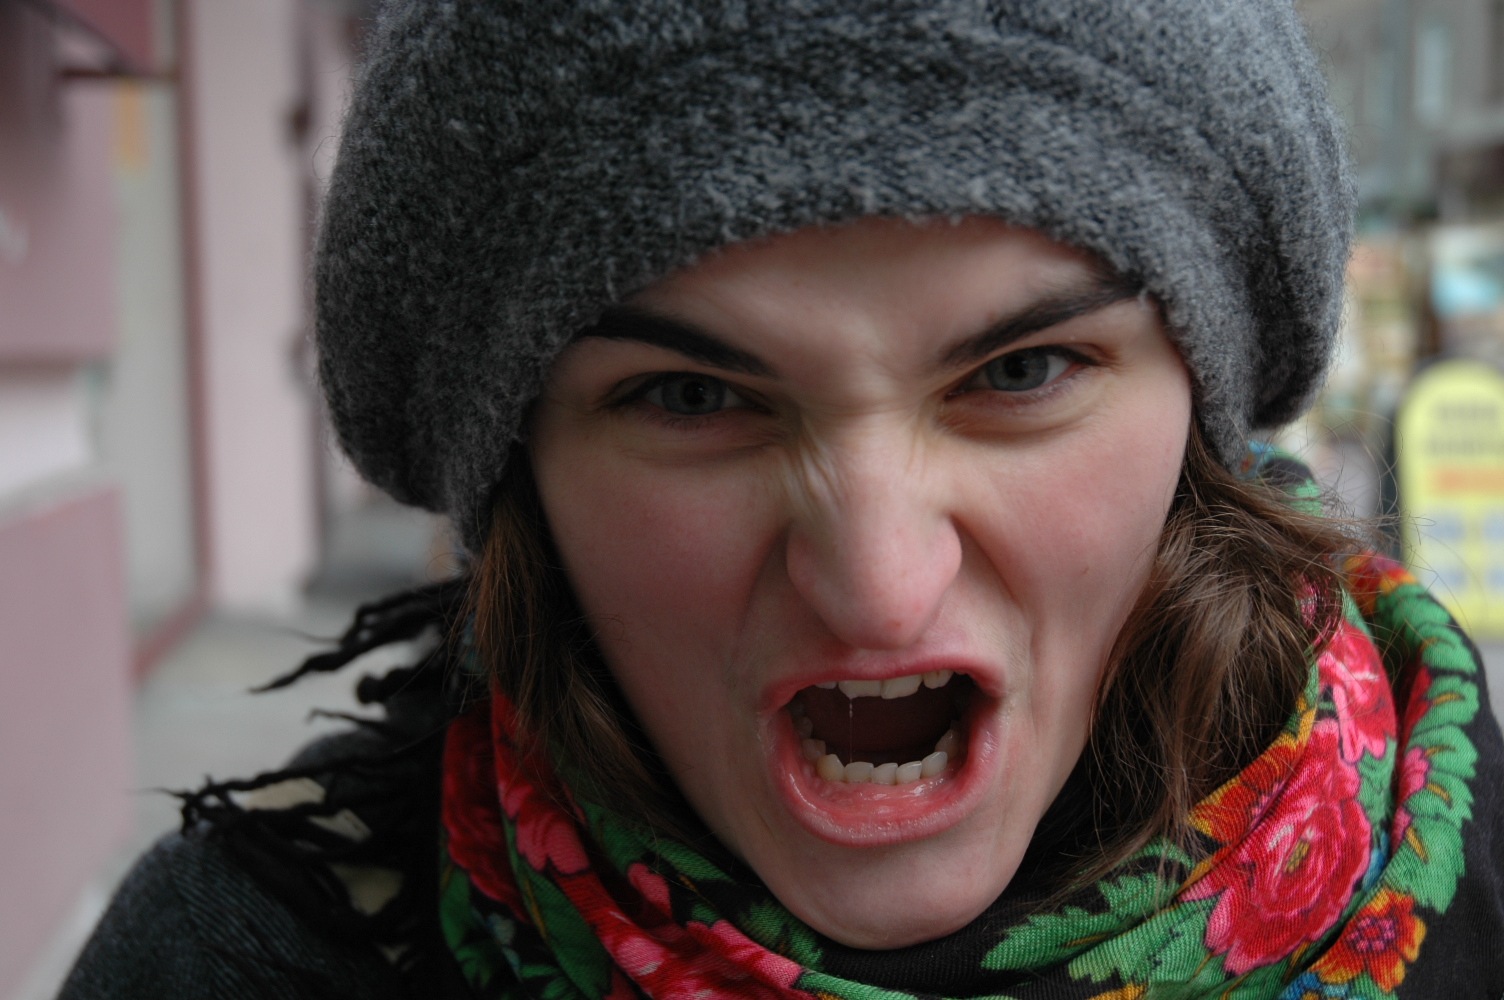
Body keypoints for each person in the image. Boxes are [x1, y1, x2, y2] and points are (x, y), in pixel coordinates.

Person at [60, 0, 1504, 997]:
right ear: (517, 474)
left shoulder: (1478, 879)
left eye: (1020, 372)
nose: (878, 583)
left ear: (1202, 400)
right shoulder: (246, 960)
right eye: (693, 398)